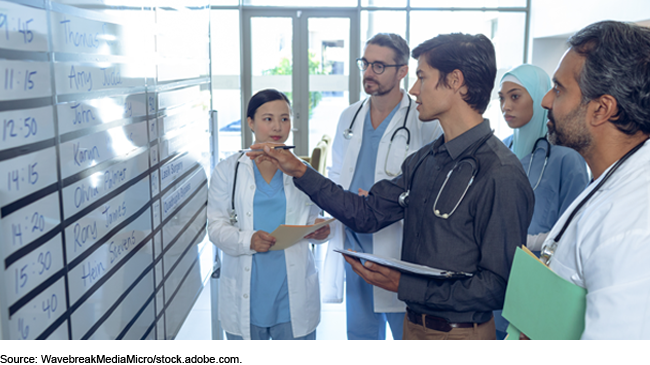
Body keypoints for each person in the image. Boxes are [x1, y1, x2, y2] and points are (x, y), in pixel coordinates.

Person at [248, 33, 534, 341]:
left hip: (460, 333)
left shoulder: (500, 173)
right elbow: (366, 214)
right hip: (414, 325)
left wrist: (403, 284)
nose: (413, 89)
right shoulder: (426, 161)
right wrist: (300, 171)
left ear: (455, 81)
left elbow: (497, 287)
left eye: (422, 77)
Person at [535, 21, 650, 340]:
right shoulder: (613, 178)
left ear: (601, 109)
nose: (546, 100)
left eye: (559, 89)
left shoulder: (634, 222)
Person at [326, 33, 442, 341]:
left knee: (407, 332)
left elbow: (434, 187)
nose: (367, 73)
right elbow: (336, 173)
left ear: (402, 71)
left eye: (379, 66)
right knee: (360, 333)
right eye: (365, 63)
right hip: (353, 247)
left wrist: (387, 199)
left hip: (397, 253)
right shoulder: (349, 117)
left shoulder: (424, 122)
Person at [207, 89, 331, 341]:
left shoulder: (301, 171)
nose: (277, 127)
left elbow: (311, 221)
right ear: (250, 122)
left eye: (284, 118)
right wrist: (247, 240)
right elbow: (215, 227)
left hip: (291, 294)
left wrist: (320, 231)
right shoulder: (227, 170)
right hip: (247, 294)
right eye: (268, 118)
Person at [494, 64, 590, 340]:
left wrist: (529, 242)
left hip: (541, 281)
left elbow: (573, 231)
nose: (506, 106)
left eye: (515, 96)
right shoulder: (500, 149)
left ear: (538, 97)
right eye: (501, 98)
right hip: (498, 279)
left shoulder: (565, 159)